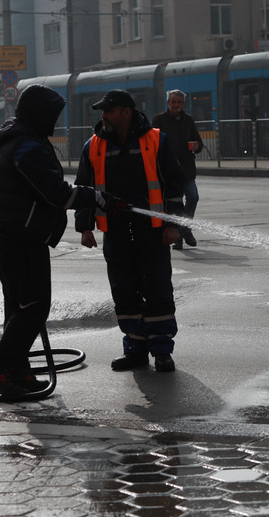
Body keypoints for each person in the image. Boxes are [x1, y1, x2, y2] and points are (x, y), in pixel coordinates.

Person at [0, 84, 129, 397]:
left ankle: (17, 371)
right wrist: (99, 199)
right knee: (33, 308)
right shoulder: (27, 146)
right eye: (52, 115)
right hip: (20, 237)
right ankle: (0, 370)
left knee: (20, 307)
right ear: (39, 115)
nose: (56, 122)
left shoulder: (19, 137)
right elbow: (56, 193)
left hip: (12, 234)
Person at [75, 89, 186, 373]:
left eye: (109, 110)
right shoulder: (93, 146)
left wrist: (172, 225)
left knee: (158, 288)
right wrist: (85, 226)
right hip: (116, 231)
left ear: (126, 112)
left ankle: (162, 351)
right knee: (124, 291)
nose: (103, 116)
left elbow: (174, 184)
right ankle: (135, 349)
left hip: (153, 231)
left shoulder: (155, 140)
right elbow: (84, 188)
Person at [151, 90, 203, 250]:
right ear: (168, 103)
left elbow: (199, 142)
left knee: (193, 197)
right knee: (175, 203)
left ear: (183, 104)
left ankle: (184, 228)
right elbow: (152, 143)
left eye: (179, 102)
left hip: (186, 169)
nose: (176, 105)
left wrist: (196, 146)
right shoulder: (159, 120)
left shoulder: (188, 120)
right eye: (173, 102)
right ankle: (178, 235)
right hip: (168, 170)